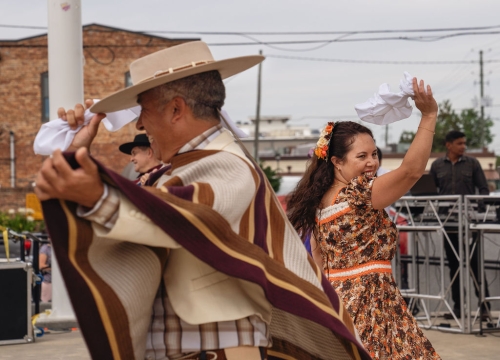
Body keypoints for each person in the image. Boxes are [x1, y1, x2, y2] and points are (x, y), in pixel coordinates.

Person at [34, 41, 369, 360]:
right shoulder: (190, 168)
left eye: (144, 110)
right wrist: (75, 156)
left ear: (177, 109)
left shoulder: (228, 164)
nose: (139, 123)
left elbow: (180, 217)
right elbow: (157, 213)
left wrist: (97, 195)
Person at [287, 78, 441, 359]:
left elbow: (319, 263)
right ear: (336, 162)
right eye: (362, 156)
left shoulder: (320, 203)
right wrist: (429, 116)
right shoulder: (358, 195)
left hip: (337, 301)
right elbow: (411, 171)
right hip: (372, 302)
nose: (372, 162)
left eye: (374, 154)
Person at [429, 130, 490, 320]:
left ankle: (484, 309)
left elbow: (483, 189)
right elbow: (430, 191)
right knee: (454, 266)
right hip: (449, 224)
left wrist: (477, 210)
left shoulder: (473, 164)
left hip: (470, 224)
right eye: (459, 143)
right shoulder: (437, 165)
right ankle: (458, 308)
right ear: (448, 145)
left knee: (475, 266)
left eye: (464, 143)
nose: (463, 147)